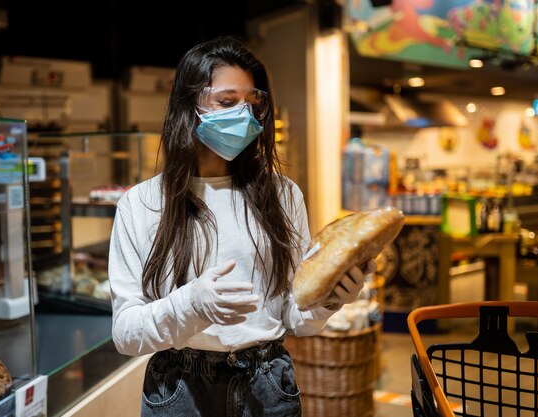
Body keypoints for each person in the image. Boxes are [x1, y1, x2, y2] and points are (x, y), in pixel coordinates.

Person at [108, 35, 376, 417]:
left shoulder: (283, 195)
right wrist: (192, 304)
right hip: (179, 388)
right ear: (189, 104)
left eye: (252, 103)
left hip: (266, 383)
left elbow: (295, 317)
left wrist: (331, 298)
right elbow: (126, 333)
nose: (244, 116)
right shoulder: (142, 204)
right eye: (226, 102)